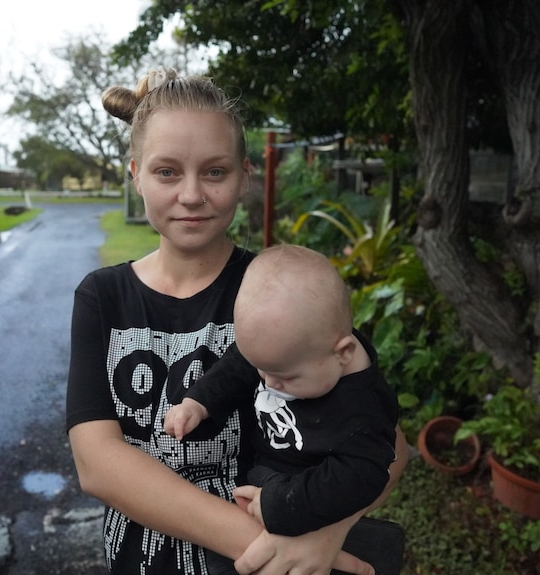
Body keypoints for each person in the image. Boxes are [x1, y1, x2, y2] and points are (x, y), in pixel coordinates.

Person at [65, 67, 409, 575]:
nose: (191, 194)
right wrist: (271, 544)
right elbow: (98, 464)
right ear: (134, 173)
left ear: (244, 175)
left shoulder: (281, 290)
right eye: (166, 172)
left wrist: (324, 532)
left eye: (214, 171)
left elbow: (389, 445)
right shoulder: (103, 296)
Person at [165, 244, 400, 575]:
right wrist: (199, 402)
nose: (269, 383)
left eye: (286, 377)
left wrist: (280, 503)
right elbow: (240, 364)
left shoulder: (362, 411)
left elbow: (363, 475)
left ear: (344, 352)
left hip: (303, 488)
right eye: (263, 371)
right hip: (267, 472)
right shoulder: (294, 349)